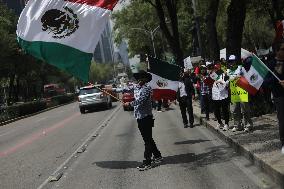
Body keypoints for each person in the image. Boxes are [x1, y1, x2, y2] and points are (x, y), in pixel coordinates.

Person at [124, 70, 163, 170]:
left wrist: (130, 104)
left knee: (147, 140)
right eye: (139, 78)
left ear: (145, 80)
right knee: (148, 138)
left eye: (143, 78)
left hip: (146, 117)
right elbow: (128, 91)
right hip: (139, 116)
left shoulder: (147, 89)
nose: (140, 80)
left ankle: (147, 162)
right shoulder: (136, 88)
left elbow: (141, 100)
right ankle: (157, 155)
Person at [265, 41, 284, 154]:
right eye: (282, 49)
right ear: (277, 51)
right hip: (279, 96)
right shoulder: (271, 64)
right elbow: (265, 82)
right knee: (282, 120)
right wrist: (276, 80)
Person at [228, 55, 253, 132]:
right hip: (234, 93)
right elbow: (227, 82)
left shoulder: (241, 68)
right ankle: (237, 125)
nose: (232, 63)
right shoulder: (228, 71)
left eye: (233, 61)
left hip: (242, 92)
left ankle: (248, 125)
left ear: (236, 61)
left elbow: (247, 75)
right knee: (234, 110)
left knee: (245, 110)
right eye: (230, 61)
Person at [211, 64, 230, 131]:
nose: (215, 70)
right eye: (214, 68)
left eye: (216, 68)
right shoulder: (213, 75)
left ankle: (226, 124)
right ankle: (220, 122)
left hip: (223, 95)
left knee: (225, 110)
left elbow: (227, 83)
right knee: (216, 110)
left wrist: (221, 82)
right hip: (215, 96)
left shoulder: (224, 75)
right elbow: (210, 83)